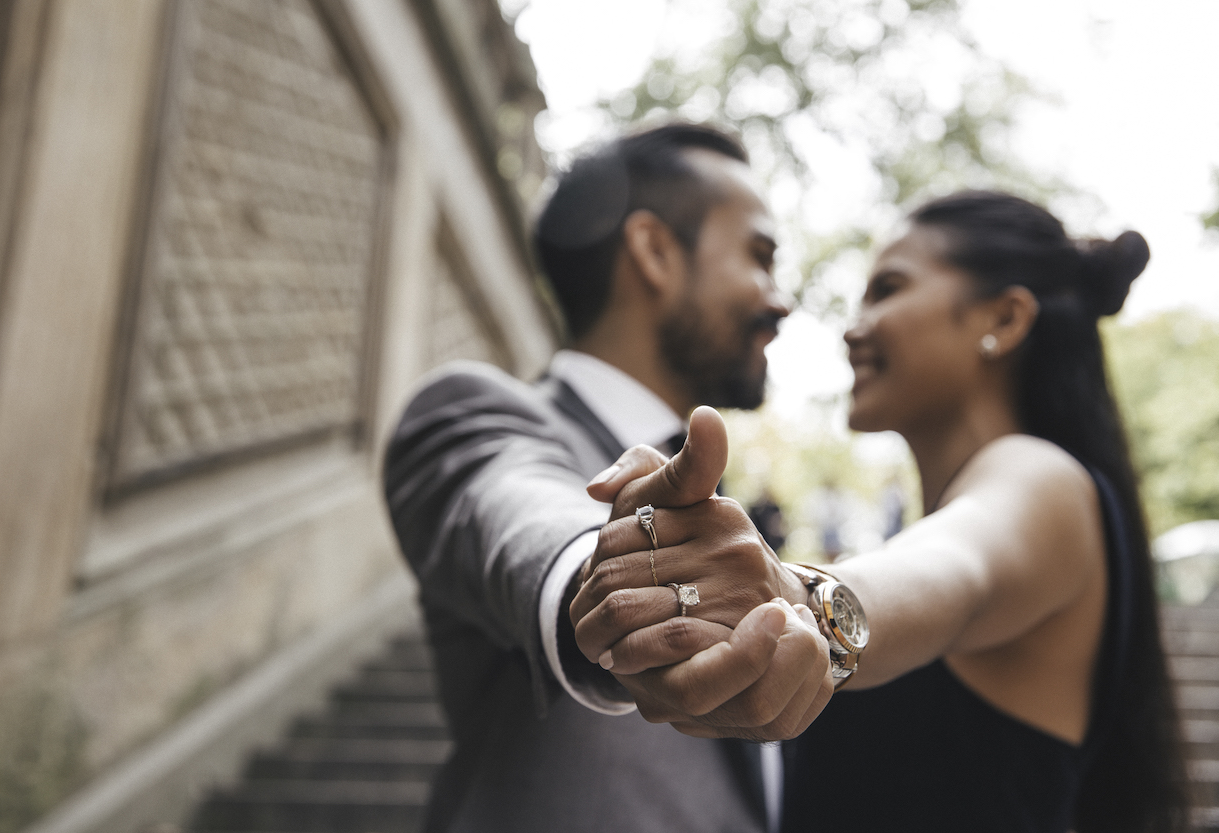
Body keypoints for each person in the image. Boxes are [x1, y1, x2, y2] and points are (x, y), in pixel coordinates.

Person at [571, 191, 1190, 832]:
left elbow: (953, 569)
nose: (852, 327)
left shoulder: (1041, 478)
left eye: (888, 289)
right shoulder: (971, 506)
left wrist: (793, 597)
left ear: (1004, 320)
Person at [384, 123, 831, 833]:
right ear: (654, 251)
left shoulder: (717, 514)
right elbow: (521, 518)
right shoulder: (476, 415)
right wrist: (611, 583)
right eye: (759, 256)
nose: (780, 300)